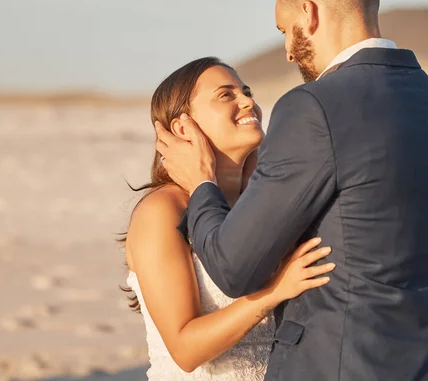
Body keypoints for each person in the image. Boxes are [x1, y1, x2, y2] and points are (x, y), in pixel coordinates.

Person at [154, 0, 428, 380]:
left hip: (338, 365)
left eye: (285, 29)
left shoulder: (314, 107)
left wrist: (201, 185)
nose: (287, 50)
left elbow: (233, 269)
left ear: (309, 13)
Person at [123, 56, 334, 380]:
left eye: (246, 91)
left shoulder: (261, 204)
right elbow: (185, 349)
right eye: (226, 95)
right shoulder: (162, 211)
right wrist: (274, 292)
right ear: (183, 127)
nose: (248, 101)